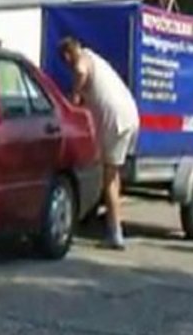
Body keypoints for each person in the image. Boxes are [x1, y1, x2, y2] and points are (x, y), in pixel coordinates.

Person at [59, 37, 140, 249]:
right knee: (112, 174)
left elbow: (80, 72)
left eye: (65, 60)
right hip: (130, 115)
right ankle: (111, 224)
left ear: (68, 54)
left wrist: (73, 96)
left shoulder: (81, 61)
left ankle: (115, 234)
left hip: (116, 120)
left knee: (109, 178)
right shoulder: (94, 56)